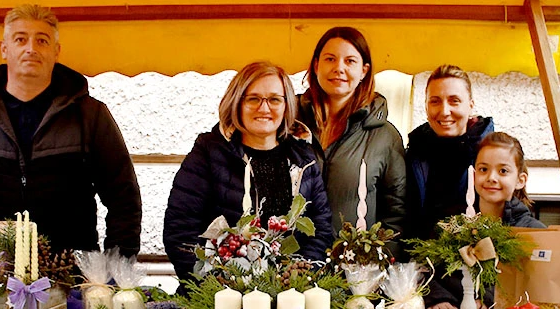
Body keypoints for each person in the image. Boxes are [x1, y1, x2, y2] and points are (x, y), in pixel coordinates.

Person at [0, 4, 142, 255]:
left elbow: (124, 198)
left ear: (56, 51)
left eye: (42, 40)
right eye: (21, 39)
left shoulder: (90, 115)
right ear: (4, 49)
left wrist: (115, 268)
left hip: (68, 270)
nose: (31, 48)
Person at [164, 61, 333, 282]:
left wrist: (298, 279)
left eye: (274, 99)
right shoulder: (208, 154)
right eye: (253, 99)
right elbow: (181, 231)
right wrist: (215, 286)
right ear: (237, 103)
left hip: (289, 298)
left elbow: (319, 231)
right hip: (221, 299)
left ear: (286, 105)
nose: (264, 108)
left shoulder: (304, 160)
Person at [296, 27, 406, 259]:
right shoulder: (288, 124)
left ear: (364, 71)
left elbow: (396, 213)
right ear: (316, 66)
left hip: (353, 270)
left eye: (350, 61)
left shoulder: (385, 137)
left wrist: (376, 265)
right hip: (291, 267)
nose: (339, 68)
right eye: (330, 59)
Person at [425, 131, 546, 309]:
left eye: (503, 171)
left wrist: (488, 301)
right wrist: (437, 298)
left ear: (520, 180)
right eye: (483, 169)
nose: (491, 177)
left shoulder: (534, 233)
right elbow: (425, 270)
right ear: (473, 175)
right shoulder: (450, 225)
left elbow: (537, 287)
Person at [406, 64, 495, 243]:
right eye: (435, 101)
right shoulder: (414, 154)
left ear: (470, 106)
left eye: (454, 100)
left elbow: (513, 210)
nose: (444, 111)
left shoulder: (491, 156)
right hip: (419, 264)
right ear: (426, 107)